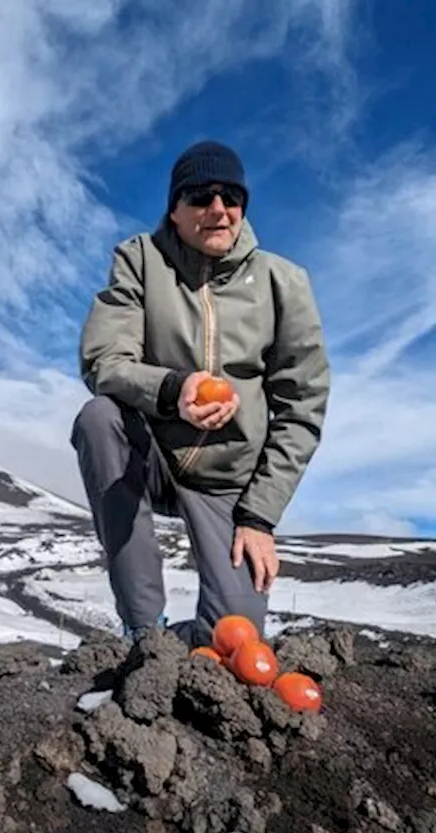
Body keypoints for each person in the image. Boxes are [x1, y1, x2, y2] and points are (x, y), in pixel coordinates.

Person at [71, 140, 330, 647]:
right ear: (175, 207)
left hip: (229, 483)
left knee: (232, 640)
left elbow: (303, 405)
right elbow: (105, 361)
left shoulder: (284, 282)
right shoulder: (140, 259)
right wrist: (172, 387)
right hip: (154, 456)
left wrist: (259, 515)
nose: (219, 209)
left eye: (231, 197)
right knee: (99, 418)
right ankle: (145, 634)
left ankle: (191, 640)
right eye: (200, 196)